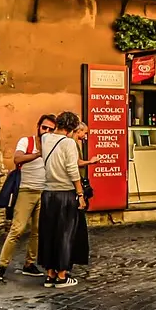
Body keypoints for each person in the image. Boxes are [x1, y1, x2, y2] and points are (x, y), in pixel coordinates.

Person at [0, 113, 57, 282]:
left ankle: (29, 264)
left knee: (37, 231)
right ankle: (1, 266)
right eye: (44, 128)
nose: (47, 131)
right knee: (17, 229)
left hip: (44, 191)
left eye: (51, 129)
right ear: (38, 127)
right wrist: (37, 154)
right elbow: (17, 158)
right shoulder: (26, 141)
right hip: (26, 191)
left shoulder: (54, 145)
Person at [36, 111, 89, 288]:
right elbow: (72, 170)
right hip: (65, 193)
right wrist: (80, 194)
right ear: (72, 127)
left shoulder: (45, 139)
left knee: (48, 233)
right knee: (65, 234)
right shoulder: (69, 143)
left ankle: (49, 274)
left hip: (48, 192)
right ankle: (62, 275)